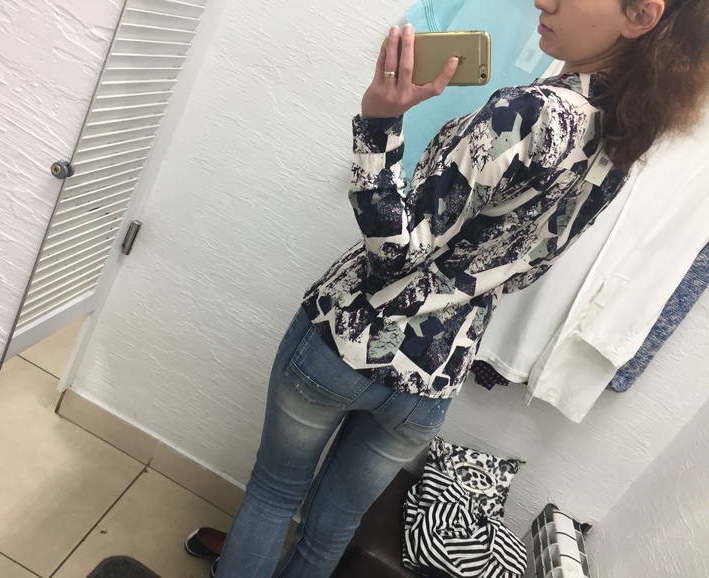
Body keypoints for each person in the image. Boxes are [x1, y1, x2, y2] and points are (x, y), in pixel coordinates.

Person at [188, 0, 709, 576]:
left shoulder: (529, 111)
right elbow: (524, 269)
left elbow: (395, 253)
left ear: (640, 16)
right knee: (330, 530)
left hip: (352, 338)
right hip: (434, 377)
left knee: (274, 493)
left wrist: (378, 122)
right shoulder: (620, 139)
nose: (544, 1)